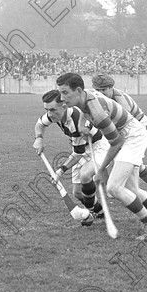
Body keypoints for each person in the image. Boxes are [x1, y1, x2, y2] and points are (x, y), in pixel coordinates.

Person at [56, 73, 147, 241]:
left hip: (131, 136)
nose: (62, 98)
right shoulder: (85, 94)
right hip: (124, 135)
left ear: (77, 90)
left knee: (113, 188)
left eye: (65, 93)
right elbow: (85, 108)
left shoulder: (97, 112)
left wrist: (100, 169)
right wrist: (82, 123)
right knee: (131, 190)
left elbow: (116, 142)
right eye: (60, 93)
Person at [33, 90, 105, 226]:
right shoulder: (53, 115)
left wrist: (59, 171)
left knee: (85, 177)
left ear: (64, 107)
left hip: (98, 148)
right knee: (78, 193)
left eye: (53, 110)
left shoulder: (75, 120)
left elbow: (78, 153)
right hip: (80, 148)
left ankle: (90, 212)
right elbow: (39, 124)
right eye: (47, 110)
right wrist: (39, 139)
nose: (49, 114)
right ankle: (100, 213)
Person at [90, 73, 147, 192]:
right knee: (130, 163)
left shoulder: (120, 99)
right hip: (123, 129)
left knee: (127, 162)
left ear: (111, 88)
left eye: (103, 89)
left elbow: (127, 124)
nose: (100, 93)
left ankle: (137, 192)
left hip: (138, 127)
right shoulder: (96, 97)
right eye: (97, 90)